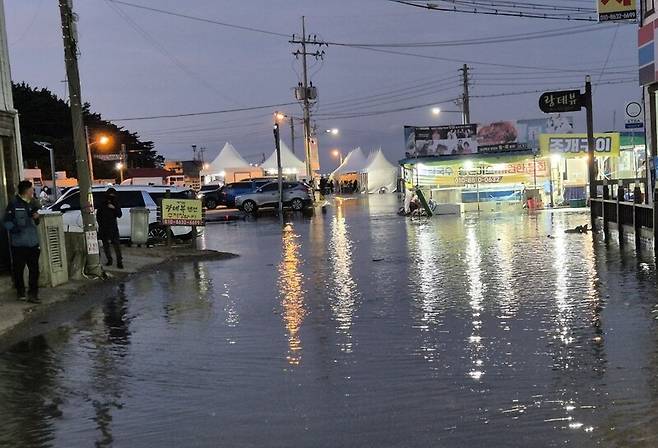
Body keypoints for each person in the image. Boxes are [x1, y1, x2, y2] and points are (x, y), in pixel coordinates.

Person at [3, 180, 41, 302]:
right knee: (18, 269)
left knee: (34, 270)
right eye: (31, 189)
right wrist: (15, 230)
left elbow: (36, 221)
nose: (32, 191)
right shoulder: (14, 204)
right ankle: (20, 292)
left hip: (33, 242)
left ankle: (33, 294)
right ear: (26, 190)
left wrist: (36, 218)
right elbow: (6, 222)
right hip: (19, 244)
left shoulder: (33, 203)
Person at [96, 187, 123, 269]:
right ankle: (109, 260)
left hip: (112, 227)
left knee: (116, 245)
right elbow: (98, 215)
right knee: (106, 245)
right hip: (104, 227)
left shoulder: (115, 203)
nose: (111, 197)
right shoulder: (102, 203)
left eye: (112, 195)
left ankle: (119, 262)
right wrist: (100, 224)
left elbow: (119, 214)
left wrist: (114, 208)